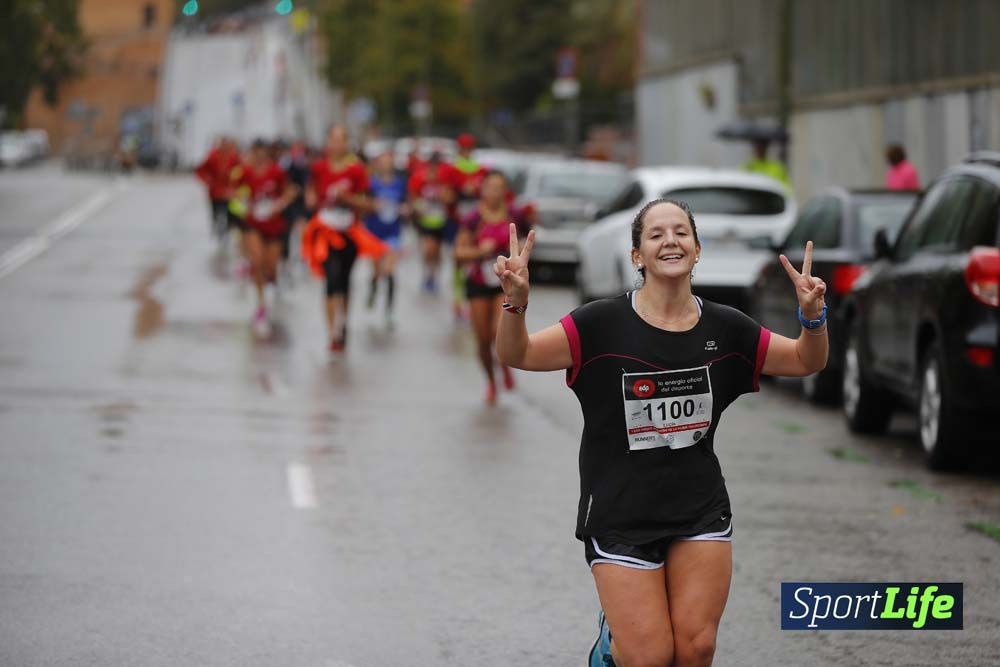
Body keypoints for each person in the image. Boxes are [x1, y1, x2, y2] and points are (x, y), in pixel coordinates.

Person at [494, 199, 828, 667]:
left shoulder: (726, 328)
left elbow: (805, 360)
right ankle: (614, 641)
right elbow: (520, 354)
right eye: (655, 234)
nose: (670, 240)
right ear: (637, 256)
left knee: (696, 650)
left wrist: (813, 318)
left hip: (698, 508)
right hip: (620, 512)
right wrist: (516, 302)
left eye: (681, 232)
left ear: (697, 249)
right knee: (650, 658)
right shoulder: (599, 324)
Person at [454, 171, 535, 405]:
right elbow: (458, 253)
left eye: (500, 187)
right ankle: (491, 380)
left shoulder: (515, 215)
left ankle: (505, 362)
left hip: (505, 283)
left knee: (496, 332)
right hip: (478, 282)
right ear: (483, 189)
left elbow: (528, 241)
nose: (495, 192)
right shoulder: (472, 218)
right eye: (490, 187)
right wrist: (480, 251)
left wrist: (520, 248)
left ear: (505, 191)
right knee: (481, 340)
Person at [302, 125, 384, 353]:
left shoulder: (355, 170)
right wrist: (311, 200)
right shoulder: (318, 168)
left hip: (349, 232)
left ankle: (343, 322)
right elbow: (310, 191)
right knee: (331, 279)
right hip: (325, 233)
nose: (337, 144)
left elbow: (368, 204)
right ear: (328, 142)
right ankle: (332, 333)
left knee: (345, 280)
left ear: (346, 143)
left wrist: (346, 198)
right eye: (334, 139)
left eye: (341, 140)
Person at [234, 138, 299, 336]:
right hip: (253, 224)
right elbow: (235, 193)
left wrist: (279, 204)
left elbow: (291, 191)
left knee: (270, 267)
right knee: (257, 260)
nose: (260, 156)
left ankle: (271, 284)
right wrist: (242, 205)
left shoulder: (277, 172)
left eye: (263, 152)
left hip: (273, 225)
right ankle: (261, 304)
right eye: (257, 152)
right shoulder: (244, 171)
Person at [364, 145, 409, 326]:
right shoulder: (371, 183)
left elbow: (407, 204)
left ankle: (389, 312)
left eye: (389, 162)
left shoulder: (400, 183)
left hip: (393, 233)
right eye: (383, 162)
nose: (386, 165)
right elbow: (363, 203)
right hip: (374, 233)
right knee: (377, 272)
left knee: (389, 271)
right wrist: (371, 205)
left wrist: (406, 209)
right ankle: (373, 289)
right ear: (378, 165)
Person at [407, 152, 456, 293]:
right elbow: (413, 197)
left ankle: (434, 275)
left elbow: (451, 198)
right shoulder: (419, 178)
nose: (434, 171)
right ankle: (427, 274)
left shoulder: (444, 179)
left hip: (440, 221)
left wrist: (443, 196)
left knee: (437, 251)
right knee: (429, 249)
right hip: (424, 221)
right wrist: (417, 206)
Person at [195, 136, 241, 239]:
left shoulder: (234, 156)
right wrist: (207, 180)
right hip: (215, 192)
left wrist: (236, 185)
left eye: (226, 144)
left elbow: (241, 170)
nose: (224, 146)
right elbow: (201, 170)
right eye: (222, 144)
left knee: (230, 214)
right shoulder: (212, 155)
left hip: (229, 192)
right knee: (216, 213)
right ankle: (217, 232)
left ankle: (227, 232)